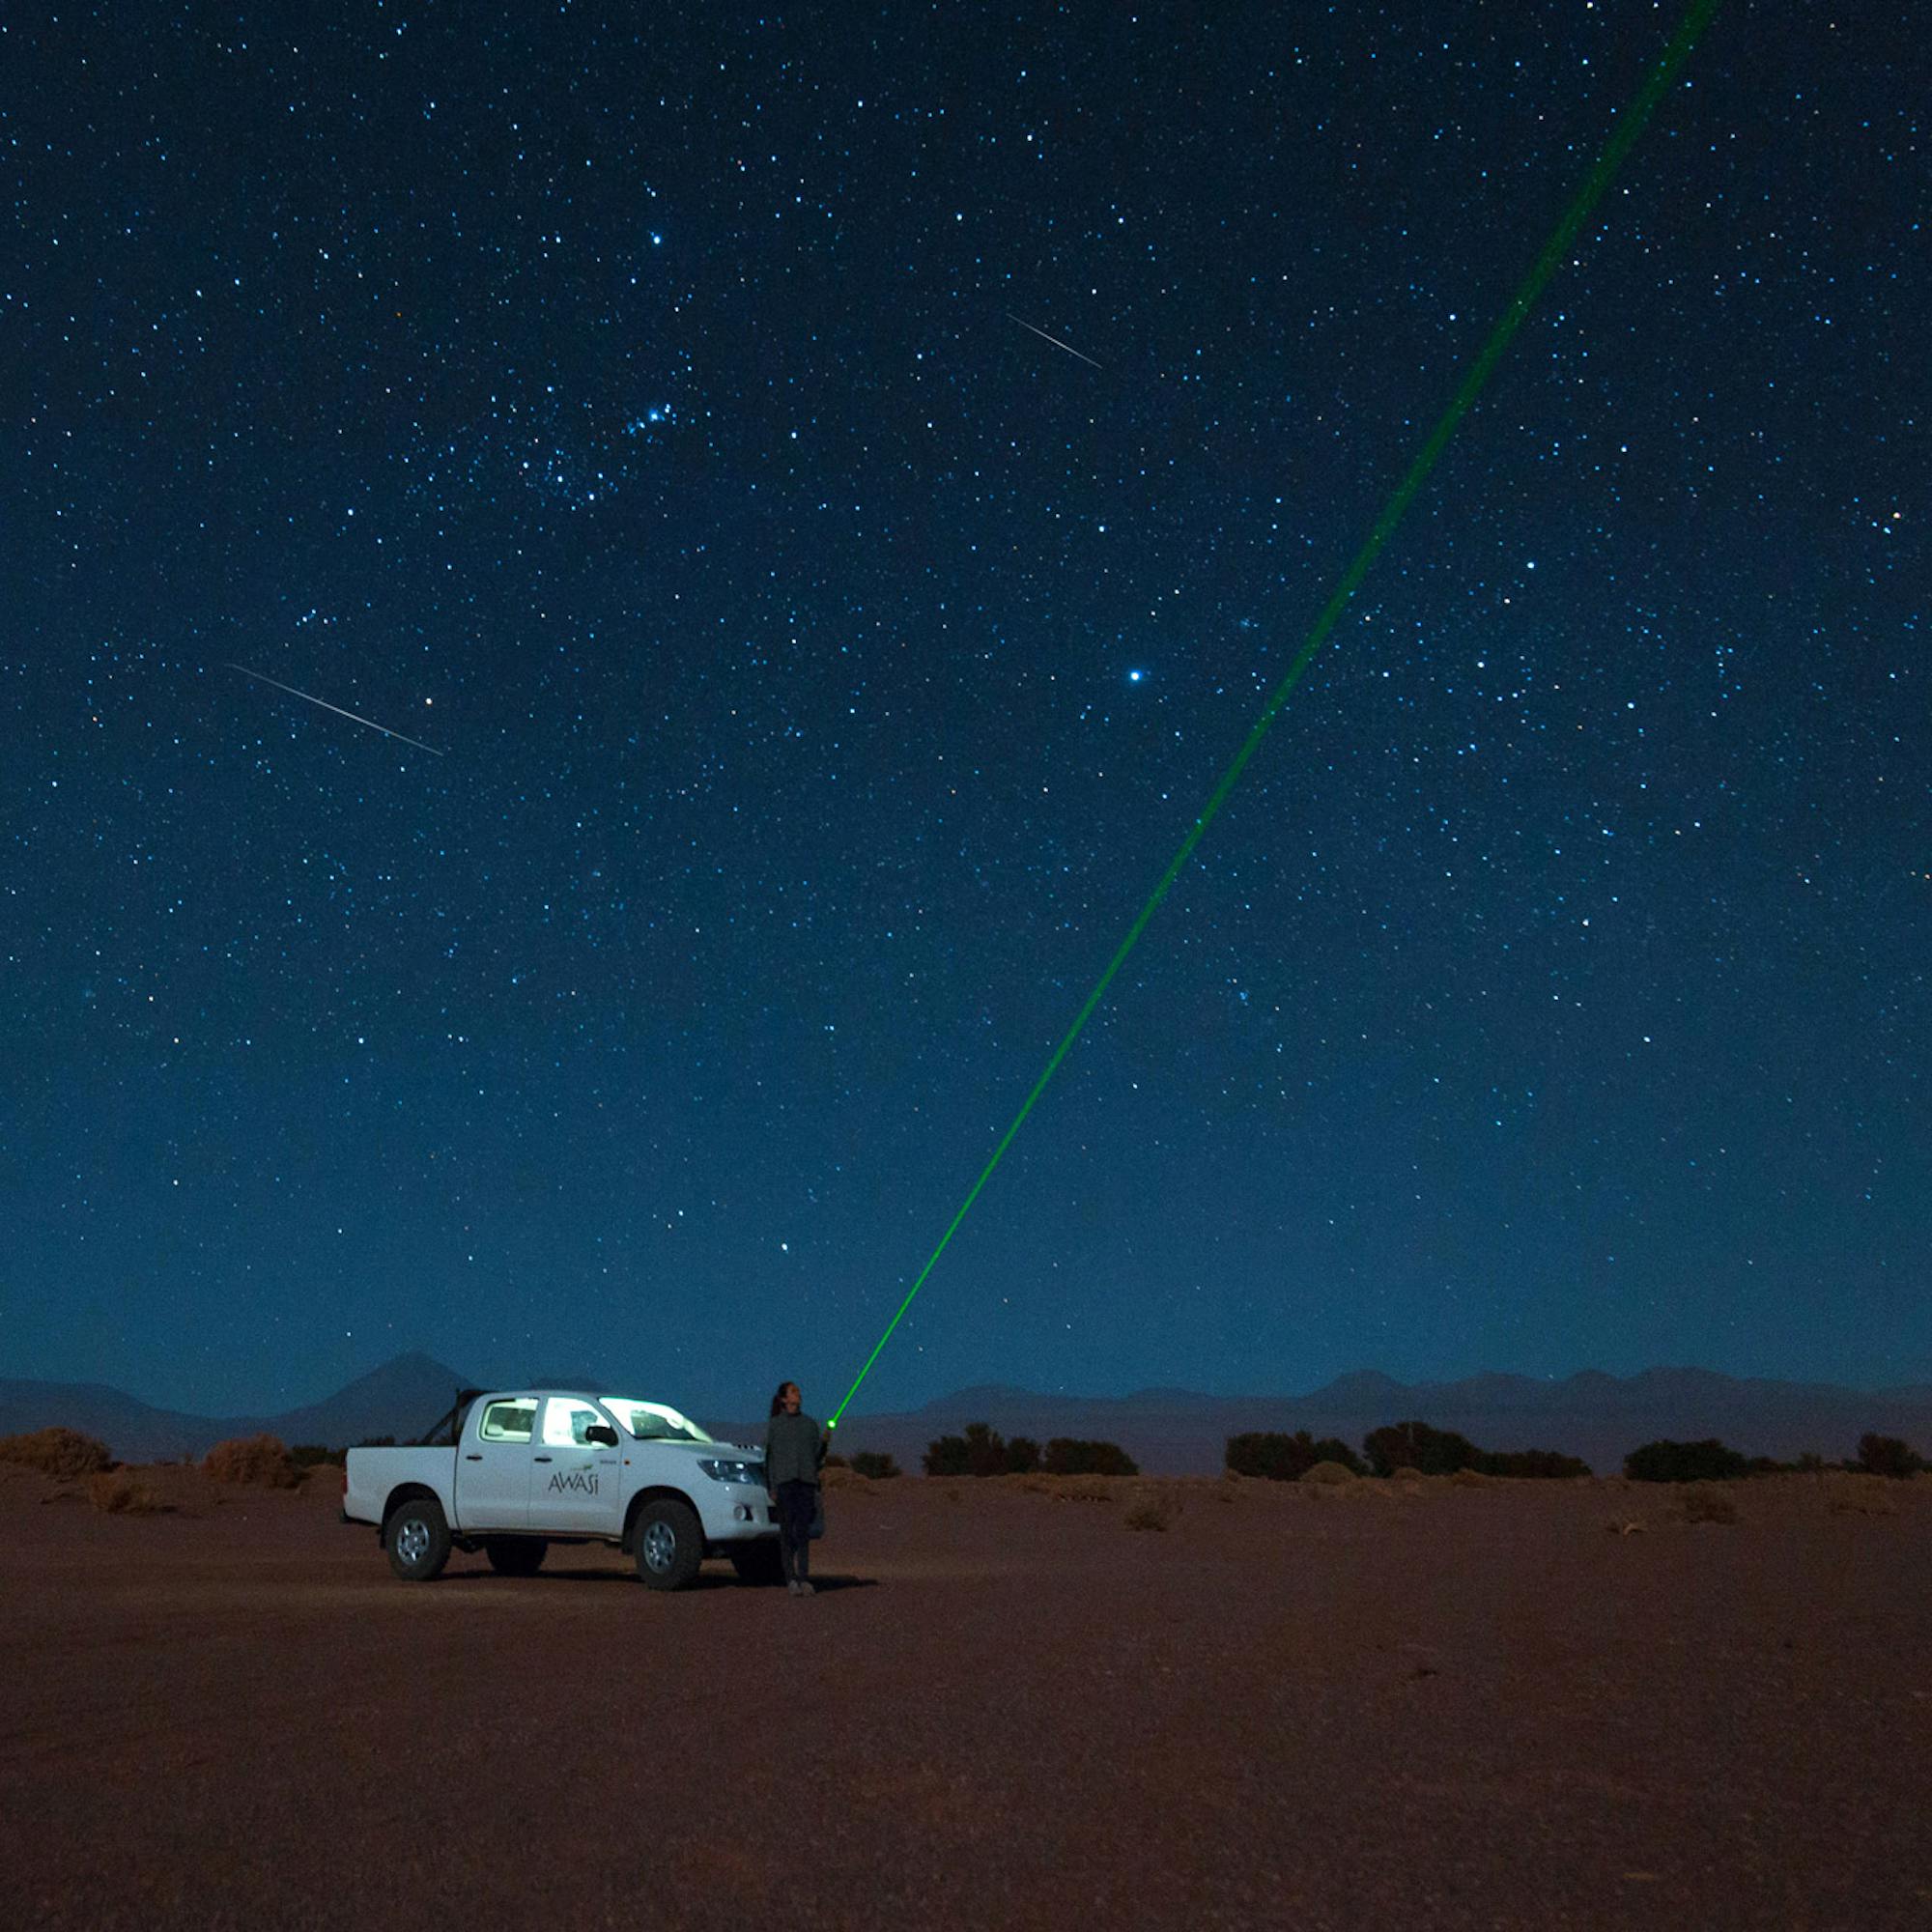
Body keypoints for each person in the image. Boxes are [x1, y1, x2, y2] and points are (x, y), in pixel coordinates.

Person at [762, 1379, 828, 1596]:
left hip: (806, 1484)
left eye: (798, 1391)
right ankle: (790, 1578)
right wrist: (771, 1485)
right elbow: (768, 1458)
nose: (798, 1394)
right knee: (786, 1533)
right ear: (784, 1399)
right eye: (793, 1392)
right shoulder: (775, 1425)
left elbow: (817, 1458)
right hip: (784, 1485)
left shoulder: (810, 1425)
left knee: (803, 1533)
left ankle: (804, 1578)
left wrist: (825, 1443)